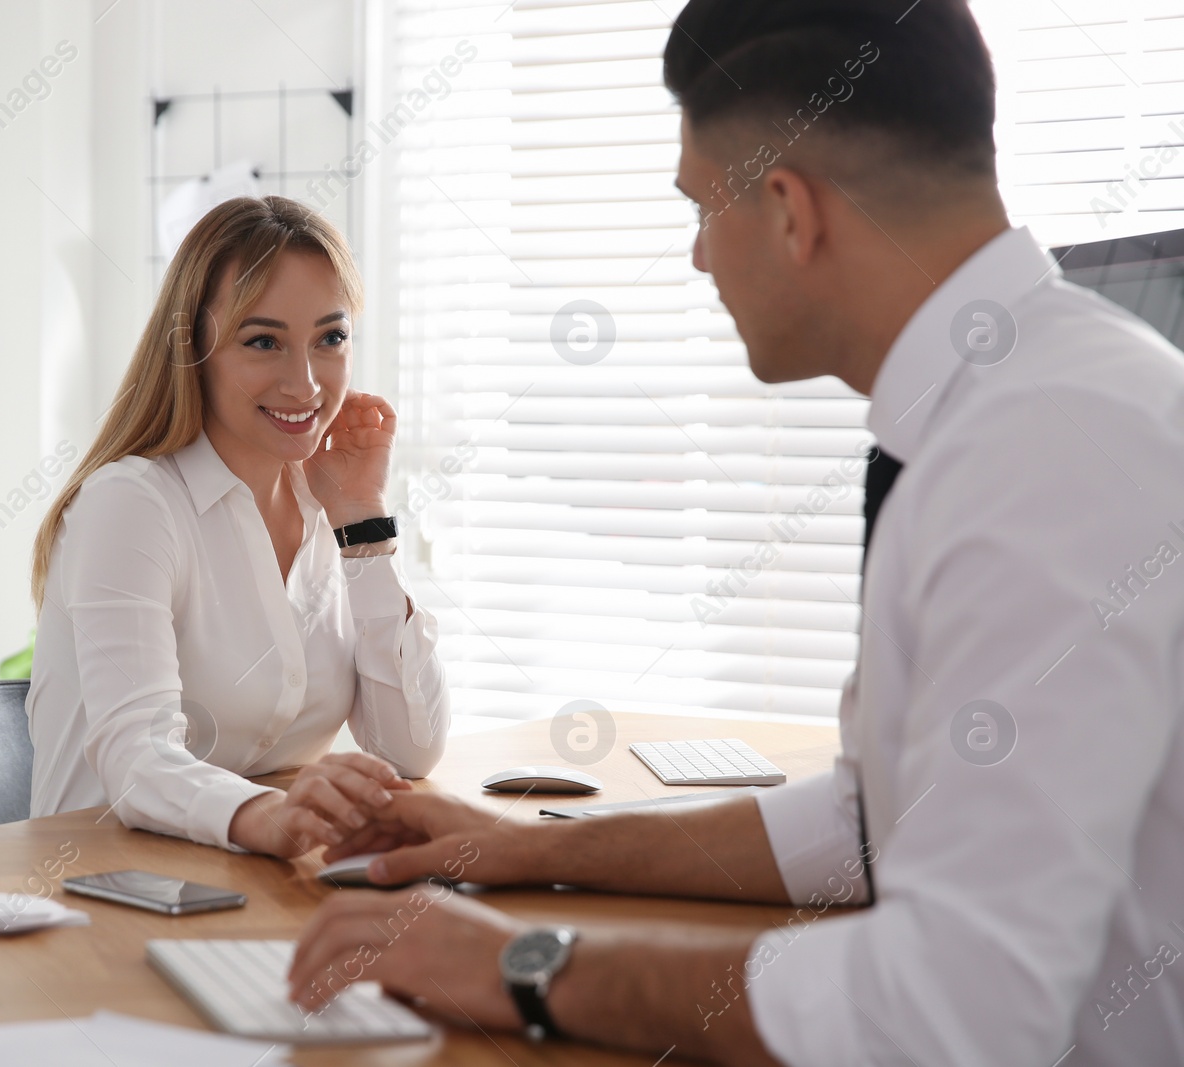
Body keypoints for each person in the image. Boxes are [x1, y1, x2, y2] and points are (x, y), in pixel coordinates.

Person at [287, 2, 1184, 1064]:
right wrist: (515, 847)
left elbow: (951, 1006)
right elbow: (866, 822)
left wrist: (521, 963)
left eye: (702, 208)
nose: (699, 256)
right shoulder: (1008, 404)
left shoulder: (1045, 447)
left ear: (788, 210)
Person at [27, 195, 451, 858]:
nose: (305, 382)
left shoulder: (324, 504)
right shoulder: (131, 505)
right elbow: (135, 752)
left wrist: (362, 522)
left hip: (246, 887)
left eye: (330, 339)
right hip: (101, 891)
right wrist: (270, 816)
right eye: (263, 342)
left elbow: (411, 748)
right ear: (191, 346)